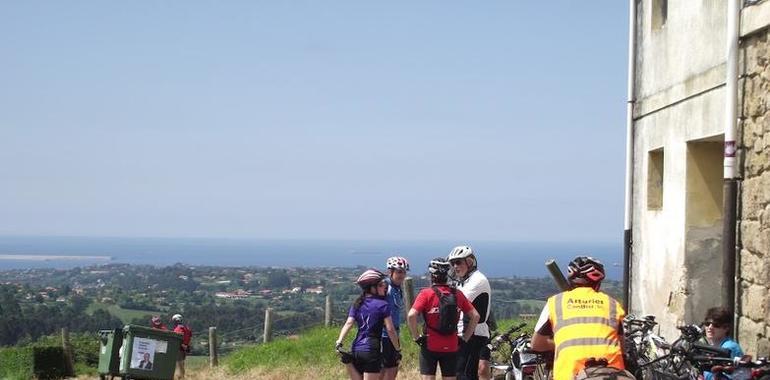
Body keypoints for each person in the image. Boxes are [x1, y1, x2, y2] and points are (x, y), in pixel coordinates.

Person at [531, 256, 629, 380]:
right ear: (598, 282)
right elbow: (621, 346)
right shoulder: (612, 304)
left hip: (569, 375)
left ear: (571, 279)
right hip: (613, 374)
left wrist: (561, 343)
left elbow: (536, 344)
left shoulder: (555, 302)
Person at [407, 257, 480, 380]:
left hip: (430, 344)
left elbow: (411, 315)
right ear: (447, 274)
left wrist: (416, 337)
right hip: (451, 345)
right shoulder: (457, 294)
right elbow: (475, 316)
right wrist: (465, 338)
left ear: (432, 275)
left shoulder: (426, 294)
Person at [336, 269, 402, 380]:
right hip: (372, 349)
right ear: (372, 288)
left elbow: (349, 323)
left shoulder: (357, 303)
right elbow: (390, 329)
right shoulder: (383, 305)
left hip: (356, 348)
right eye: (381, 285)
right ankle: (348, 363)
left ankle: (348, 362)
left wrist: (339, 341)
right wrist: (397, 349)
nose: (385, 287)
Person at [448, 245, 492, 380]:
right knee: (462, 373)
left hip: (474, 335)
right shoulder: (464, 281)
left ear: (470, 262)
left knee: (464, 374)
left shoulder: (478, 280)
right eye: (452, 263)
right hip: (467, 333)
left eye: (458, 262)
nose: (455, 266)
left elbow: (456, 302)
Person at [380, 256, 409, 380]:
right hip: (385, 335)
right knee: (386, 369)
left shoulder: (397, 289)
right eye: (399, 272)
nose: (402, 275)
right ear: (390, 272)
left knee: (393, 367)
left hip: (394, 333)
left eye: (404, 272)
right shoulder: (387, 289)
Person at [702, 306, 743, 380]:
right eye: (707, 323)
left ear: (726, 328)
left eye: (716, 325)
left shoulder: (729, 348)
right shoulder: (713, 346)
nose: (710, 327)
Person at [477, 311, 497, 380]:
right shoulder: (485, 307)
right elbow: (494, 327)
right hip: (483, 338)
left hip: (482, 340)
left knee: (483, 366)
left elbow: (494, 327)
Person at [171, 313, 192, 379]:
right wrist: (187, 346)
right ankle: (182, 376)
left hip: (178, 348)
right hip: (184, 349)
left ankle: (180, 377)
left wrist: (182, 345)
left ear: (175, 321)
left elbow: (178, 338)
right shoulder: (187, 328)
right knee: (182, 363)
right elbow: (189, 338)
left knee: (179, 364)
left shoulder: (178, 328)